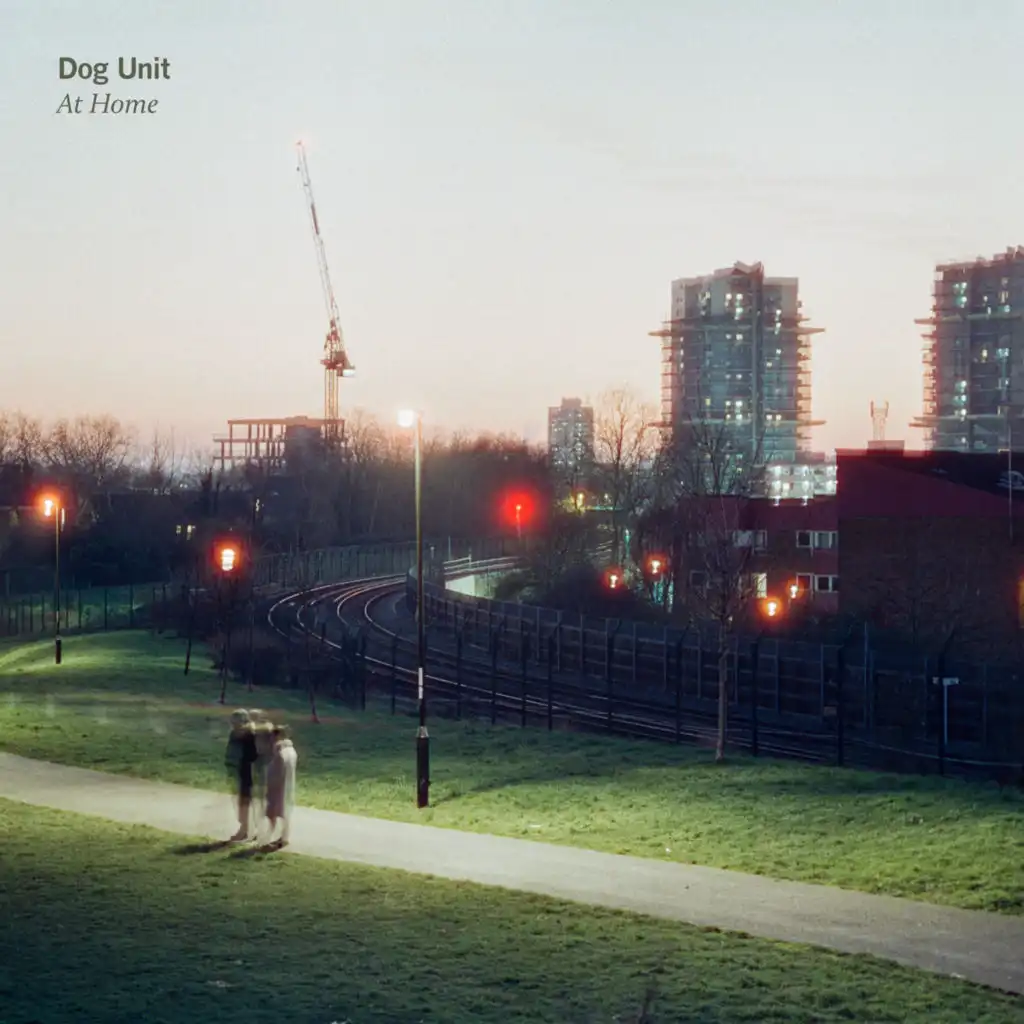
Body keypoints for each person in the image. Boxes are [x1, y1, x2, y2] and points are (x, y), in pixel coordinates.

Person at [224, 709, 258, 842]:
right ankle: (249, 829)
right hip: (240, 770)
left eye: (235, 721)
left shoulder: (248, 735)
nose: (232, 724)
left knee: (245, 802)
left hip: (247, 771)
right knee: (244, 802)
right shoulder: (237, 734)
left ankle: (244, 830)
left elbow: (252, 755)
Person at [264, 725, 298, 848]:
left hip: (277, 787)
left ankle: (271, 837)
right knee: (284, 812)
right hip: (287, 786)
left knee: (274, 813)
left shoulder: (280, 752)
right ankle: (284, 837)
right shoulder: (291, 751)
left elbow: (274, 772)